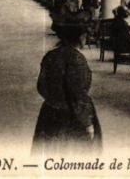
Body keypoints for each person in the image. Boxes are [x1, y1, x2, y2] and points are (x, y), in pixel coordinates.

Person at [32, 18, 102, 154]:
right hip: (71, 118)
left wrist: (54, 99)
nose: (86, 38)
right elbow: (77, 95)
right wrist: (87, 123)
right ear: (79, 37)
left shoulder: (50, 56)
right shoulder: (77, 59)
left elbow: (41, 86)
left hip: (49, 114)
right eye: (85, 35)